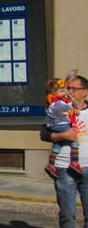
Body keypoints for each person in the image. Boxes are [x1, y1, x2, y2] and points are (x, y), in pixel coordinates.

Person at [42, 75, 88, 228]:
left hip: (87, 168)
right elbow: (44, 134)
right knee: (67, 215)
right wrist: (63, 135)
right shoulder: (60, 109)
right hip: (64, 168)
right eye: (68, 88)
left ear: (85, 92)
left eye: (74, 88)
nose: (69, 91)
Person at [44, 77, 82, 178]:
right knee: (74, 140)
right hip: (60, 126)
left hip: (56, 125)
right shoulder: (57, 102)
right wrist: (70, 100)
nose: (65, 92)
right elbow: (70, 105)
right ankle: (74, 162)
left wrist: (74, 110)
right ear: (53, 91)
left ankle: (51, 164)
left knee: (58, 145)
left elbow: (67, 110)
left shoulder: (57, 101)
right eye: (62, 90)